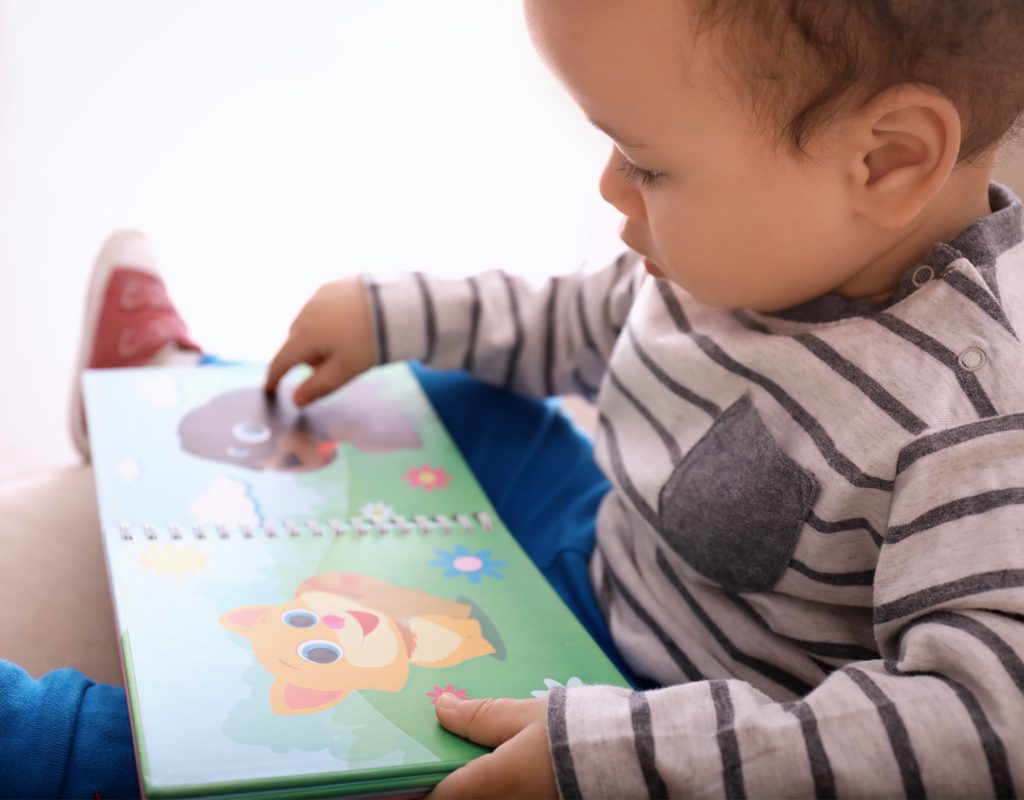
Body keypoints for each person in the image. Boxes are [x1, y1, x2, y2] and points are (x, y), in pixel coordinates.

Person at [262, 1, 1024, 797]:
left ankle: (113, 742)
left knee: (356, 756)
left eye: (648, 165)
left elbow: (983, 724)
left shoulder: (980, 416)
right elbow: (570, 319)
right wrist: (393, 315)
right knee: (436, 392)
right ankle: (181, 365)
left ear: (888, 159)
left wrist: (629, 758)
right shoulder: (761, 248)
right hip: (606, 540)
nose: (610, 187)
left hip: (662, 714)